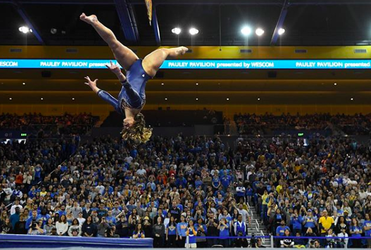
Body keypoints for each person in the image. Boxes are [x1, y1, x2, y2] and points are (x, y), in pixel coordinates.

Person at [80, 13, 188, 145]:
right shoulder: (136, 105)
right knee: (165, 51)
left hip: (131, 68)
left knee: (114, 45)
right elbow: (128, 88)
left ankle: (94, 21)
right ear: (135, 122)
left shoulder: (120, 109)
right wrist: (118, 73)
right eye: (129, 127)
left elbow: (107, 97)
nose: (125, 126)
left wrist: (93, 87)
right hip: (146, 70)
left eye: (125, 129)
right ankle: (180, 49)